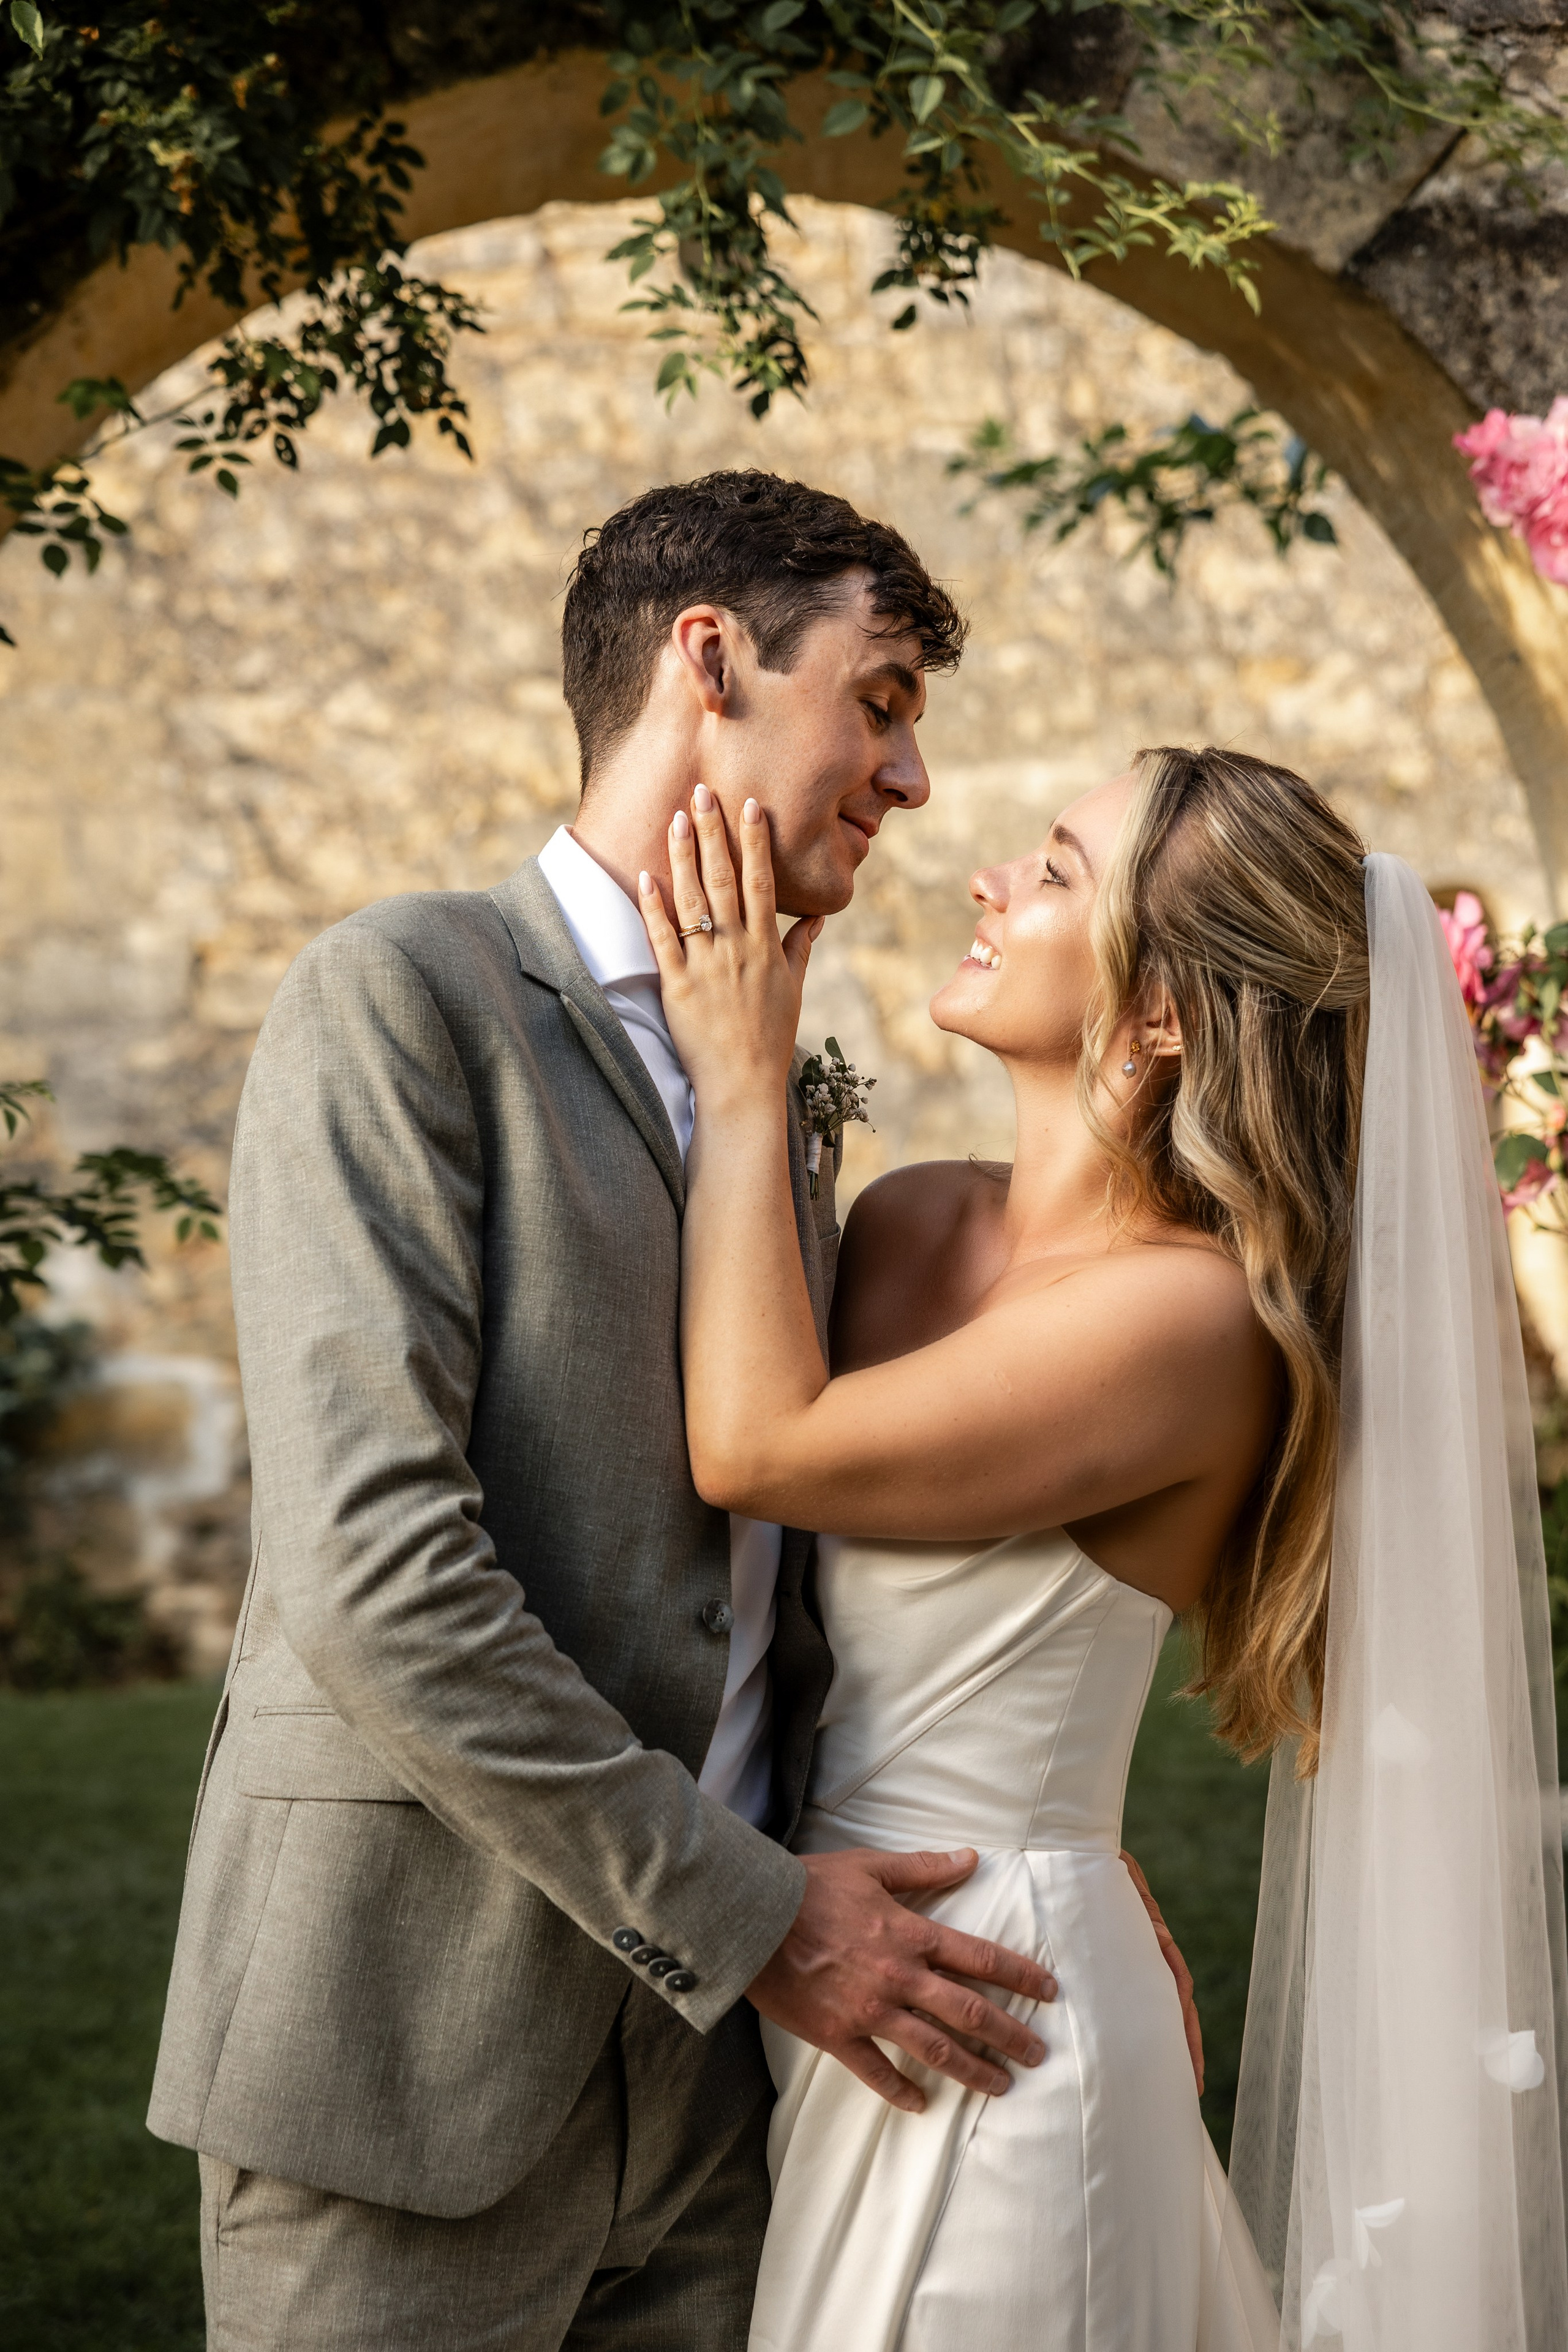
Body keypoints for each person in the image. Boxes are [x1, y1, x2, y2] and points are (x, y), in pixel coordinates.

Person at [146, 470, 1193, 2351]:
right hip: (410, 2062)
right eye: (878, 702)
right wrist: (756, 1913)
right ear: (709, 661)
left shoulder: (778, 1095)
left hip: (729, 2109)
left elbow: (772, 1586)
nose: (909, 782)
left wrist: (1071, 1873)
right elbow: (378, 1576)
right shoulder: (399, 1002)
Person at [639, 745, 1568, 2351]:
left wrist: (740, 1074)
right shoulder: (919, 1217)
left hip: (993, 2024)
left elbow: (758, 1446)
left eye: (1060, 870)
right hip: (839, 1969)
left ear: (1164, 1016)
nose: (993, 880)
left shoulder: (1187, 1319)